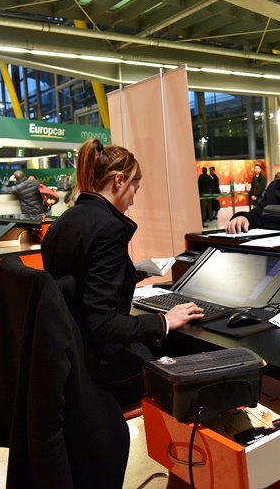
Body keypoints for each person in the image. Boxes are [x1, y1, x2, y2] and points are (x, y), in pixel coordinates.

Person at [42, 138, 204, 406]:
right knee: (184, 365)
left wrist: (128, 273)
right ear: (119, 181)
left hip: (69, 355)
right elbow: (103, 323)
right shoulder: (109, 229)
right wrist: (165, 321)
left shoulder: (62, 223)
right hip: (100, 366)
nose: (132, 200)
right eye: (134, 189)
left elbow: (78, 279)